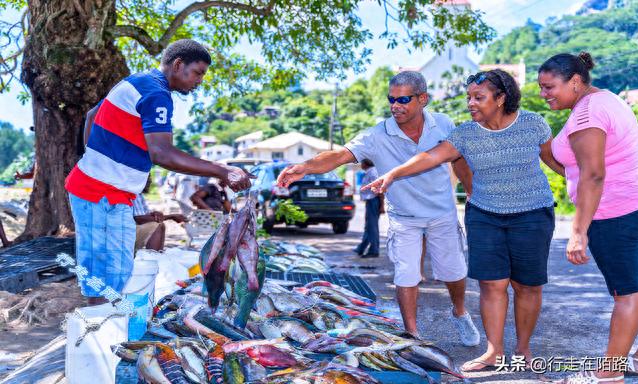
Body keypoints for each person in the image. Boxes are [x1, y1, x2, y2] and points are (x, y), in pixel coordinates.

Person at [363, 69, 562, 371]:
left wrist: (591, 181)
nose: (470, 103)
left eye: (478, 97)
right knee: (491, 286)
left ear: (501, 98)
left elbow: (556, 162)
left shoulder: (534, 124)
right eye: (469, 97)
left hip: (532, 215)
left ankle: (523, 350)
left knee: (527, 286)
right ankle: (493, 352)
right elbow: (431, 157)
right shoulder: (465, 133)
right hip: (485, 215)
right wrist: (392, 174)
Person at [277, 71, 480, 345]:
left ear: (423, 99)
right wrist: (304, 167)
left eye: (404, 99)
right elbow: (338, 156)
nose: (395, 106)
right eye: (391, 100)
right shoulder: (377, 134)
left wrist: (470, 190)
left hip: (441, 210)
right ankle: (412, 333)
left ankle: (459, 312)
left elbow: (457, 158)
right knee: (406, 273)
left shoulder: (443, 123)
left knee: (453, 271)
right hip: (403, 216)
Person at [65, 39, 252, 305]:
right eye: (198, 73)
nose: (199, 81)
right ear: (178, 65)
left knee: (104, 273)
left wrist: (96, 158)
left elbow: (92, 115)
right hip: (102, 194)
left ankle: (103, 328)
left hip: (100, 190)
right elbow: (161, 154)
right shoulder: (157, 94)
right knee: (111, 276)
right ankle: (102, 334)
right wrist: (223, 170)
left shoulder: (137, 81)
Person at [538, 52, 638, 384]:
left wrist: (578, 231)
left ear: (576, 82)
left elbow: (593, 175)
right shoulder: (605, 99)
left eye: (550, 87)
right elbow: (576, 167)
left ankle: (609, 374)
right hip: (632, 203)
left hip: (614, 212)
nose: (544, 94)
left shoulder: (588, 115)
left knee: (627, 294)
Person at [133, 180, 187, 252]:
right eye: (148, 179)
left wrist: (155, 214)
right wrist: (171, 216)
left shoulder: (139, 194)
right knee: (157, 225)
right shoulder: (132, 193)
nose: (150, 182)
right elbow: (138, 219)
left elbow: (146, 215)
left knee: (160, 224)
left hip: (134, 230)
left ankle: (157, 256)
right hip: (126, 234)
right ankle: (152, 257)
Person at [354, 159, 384, 258]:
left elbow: (380, 190)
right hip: (371, 201)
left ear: (366, 163)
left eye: (362, 163)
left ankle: (374, 251)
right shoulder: (370, 172)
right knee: (369, 226)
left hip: (374, 201)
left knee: (372, 227)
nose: (361, 165)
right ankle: (361, 248)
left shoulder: (373, 172)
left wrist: (382, 205)